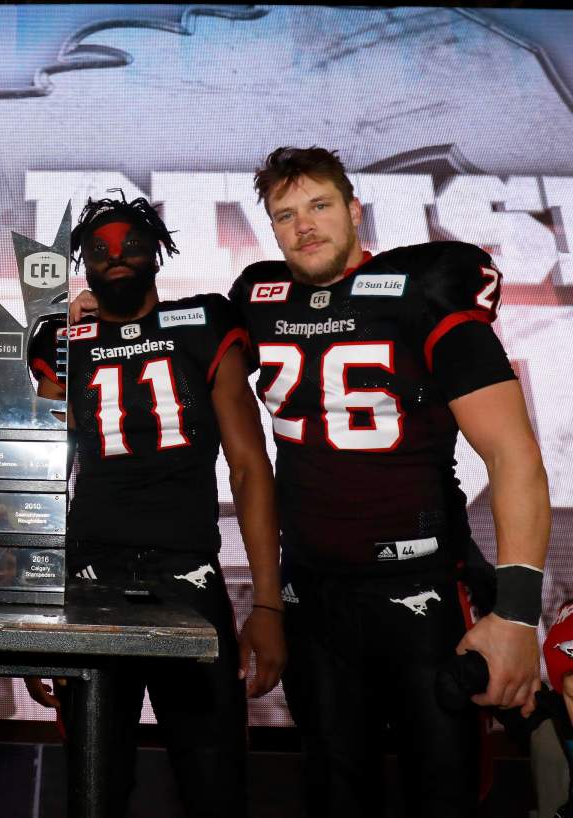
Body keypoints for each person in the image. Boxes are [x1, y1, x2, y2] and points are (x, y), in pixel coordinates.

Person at [228, 146, 550, 817]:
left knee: (444, 792)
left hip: (423, 591)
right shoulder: (257, 299)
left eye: (319, 205)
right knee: (333, 791)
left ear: (353, 208)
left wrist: (518, 612)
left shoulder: (423, 290)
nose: (303, 225)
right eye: (284, 214)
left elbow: (512, 452)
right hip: (314, 596)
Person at [26, 193, 285, 817]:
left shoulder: (205, 322)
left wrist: (270, 604)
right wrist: (35, 606)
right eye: (99, 250)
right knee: (95, 784)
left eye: (131, 245)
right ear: (82, 264)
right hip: (89, 576)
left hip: (188, 574)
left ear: (158, 255)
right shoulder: (62, 339)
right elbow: (40, 471)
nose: (116, 258)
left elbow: (250, 467)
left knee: (214, 779)